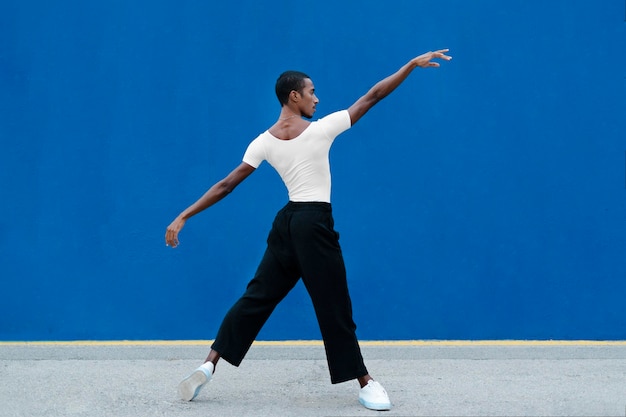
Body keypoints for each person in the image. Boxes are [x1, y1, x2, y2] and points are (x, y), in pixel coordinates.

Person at [165, 49, 452, 411]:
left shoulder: (263, 141)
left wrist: (184, 215)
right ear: (293, 96)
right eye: (311, 91)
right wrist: (410, 65)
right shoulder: (322, 129)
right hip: (313, 223)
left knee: (256, 298)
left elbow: (226, 185)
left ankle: (208, 365)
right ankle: (366, 383)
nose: (317, 98)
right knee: (334, 306)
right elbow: (374, 95)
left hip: (286, 224)